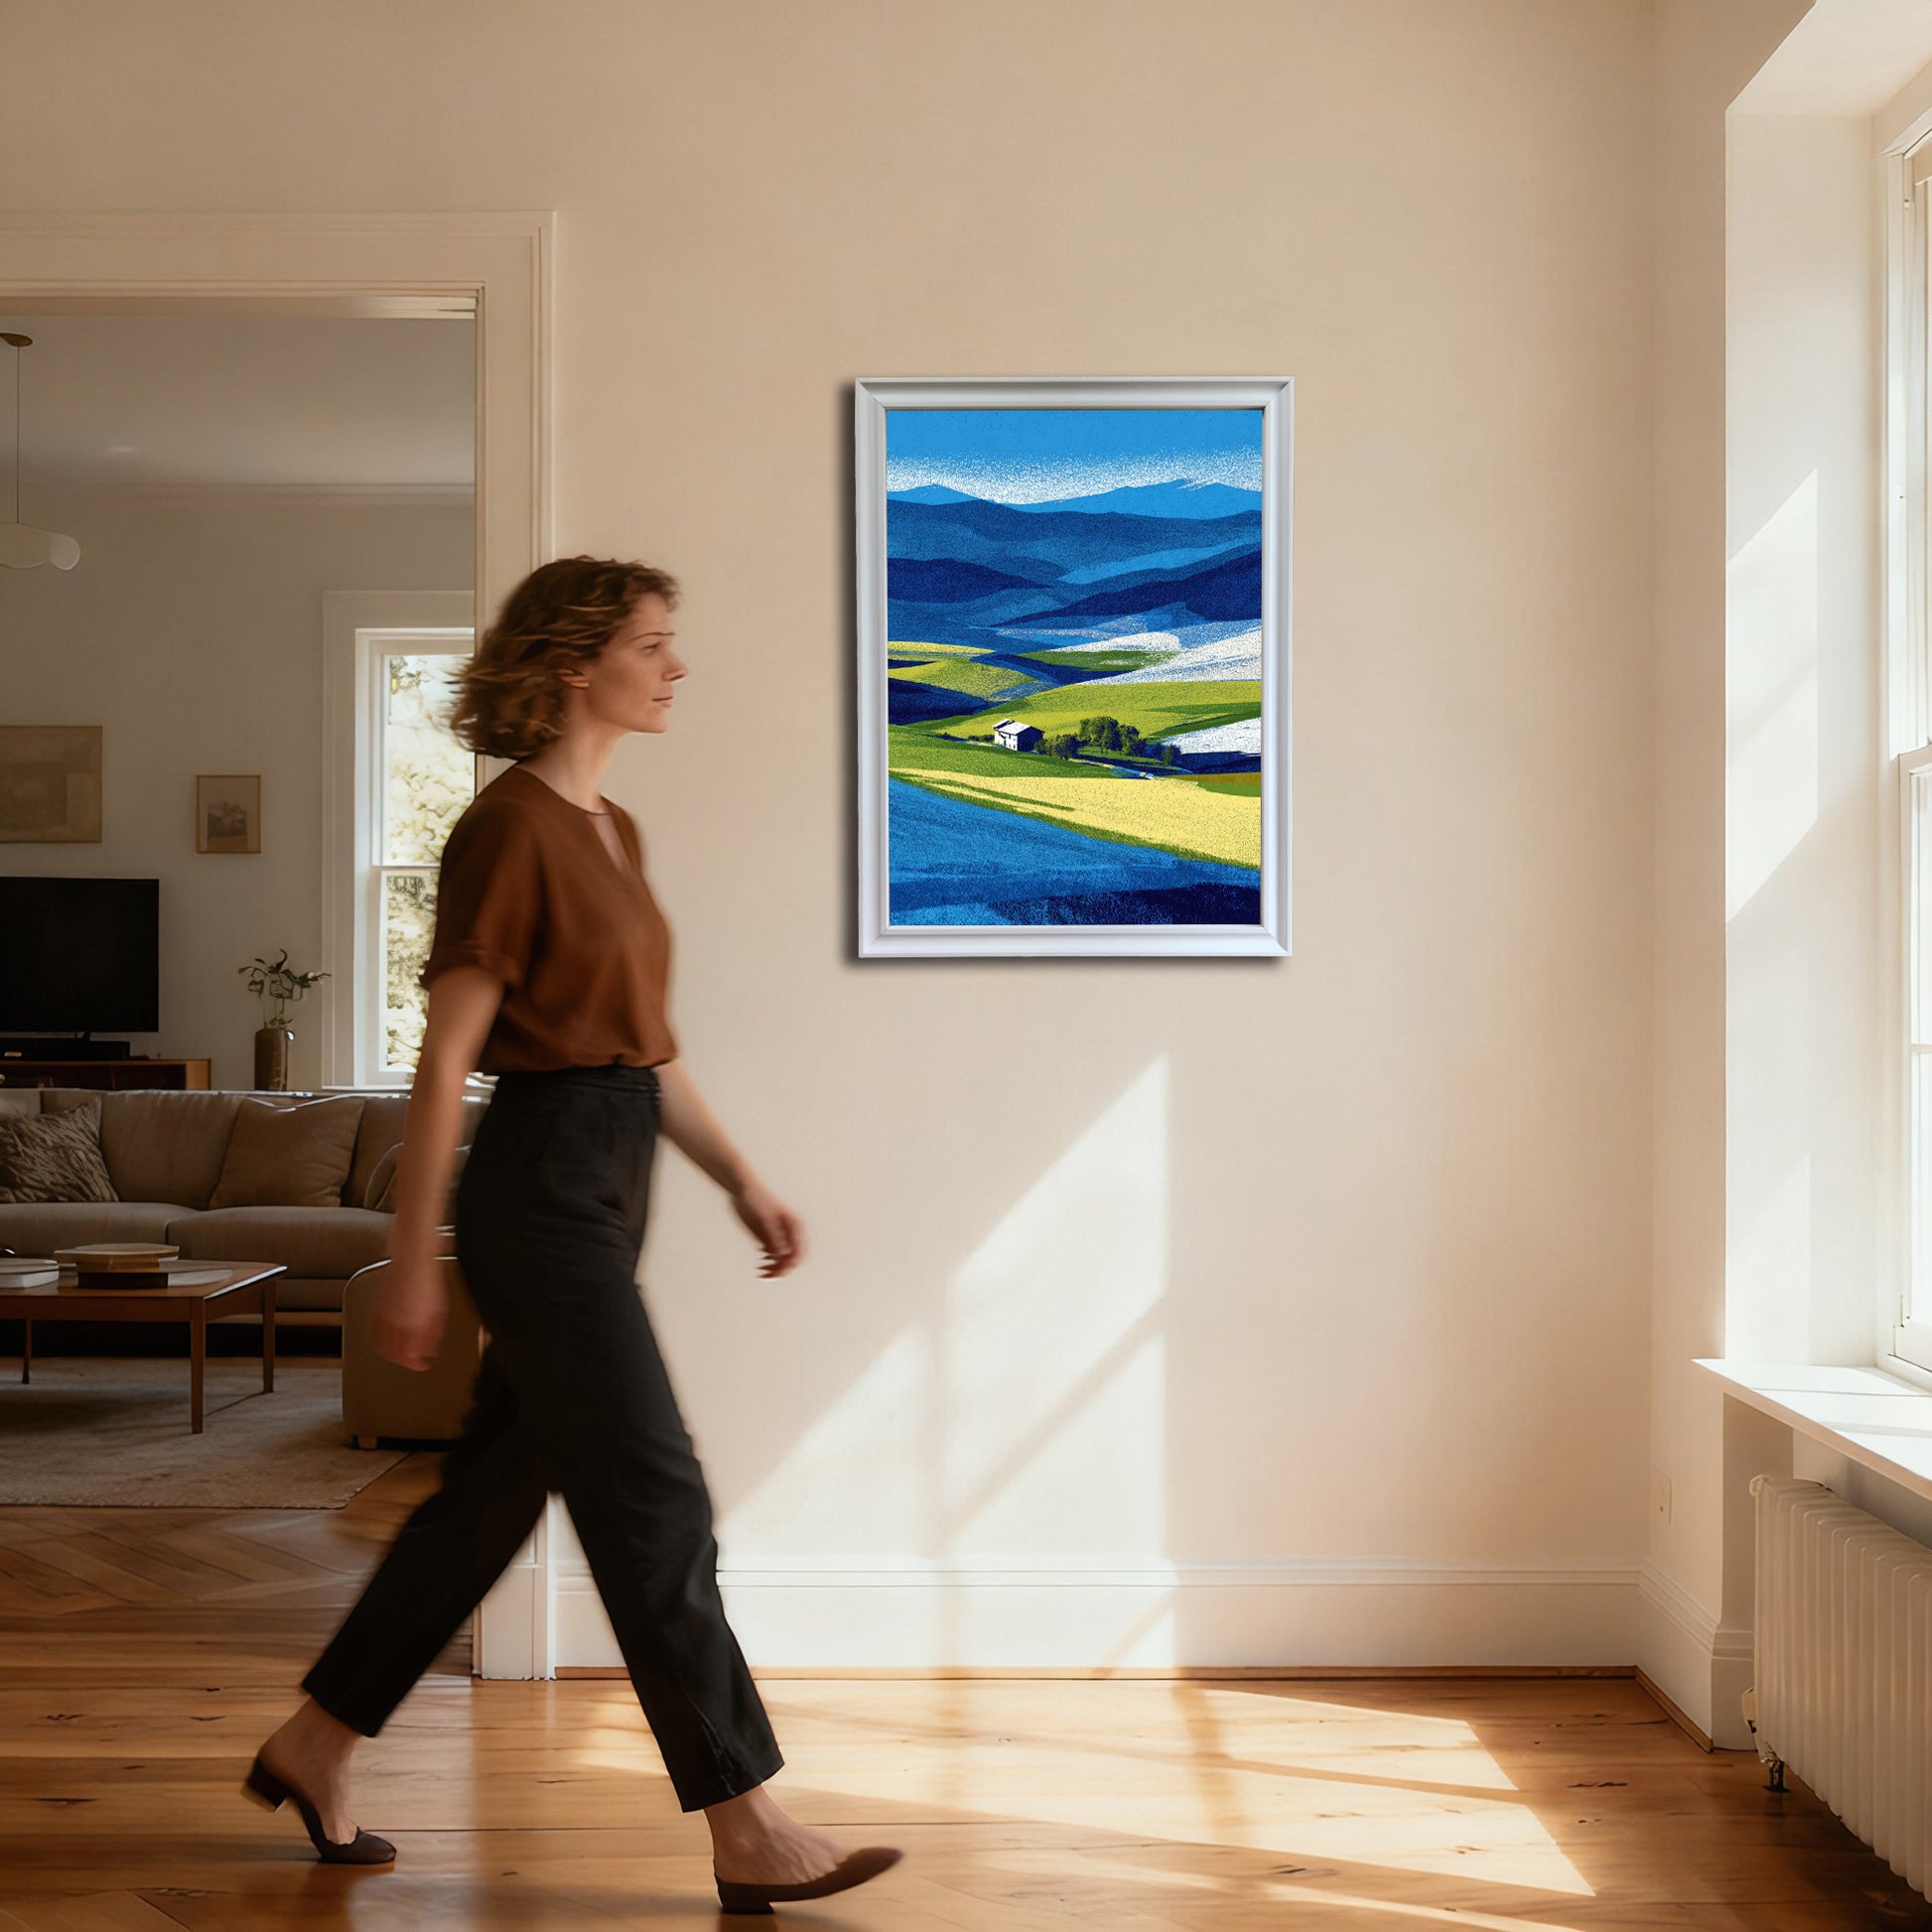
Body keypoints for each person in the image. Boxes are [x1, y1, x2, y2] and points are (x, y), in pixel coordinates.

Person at [241, 556, 901, 1915]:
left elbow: (647, 1053)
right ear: (571, 663)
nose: (674, 667)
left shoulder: (615, 831)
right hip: (538, 1190)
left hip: (609, 1170)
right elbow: (445, 1066)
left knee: (487, 1500)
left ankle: (318, 1739)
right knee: (653, 1493)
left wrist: (737, 1178)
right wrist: (413, 1257)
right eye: (653, 644)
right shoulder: (507, 828)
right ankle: (743, 1815)